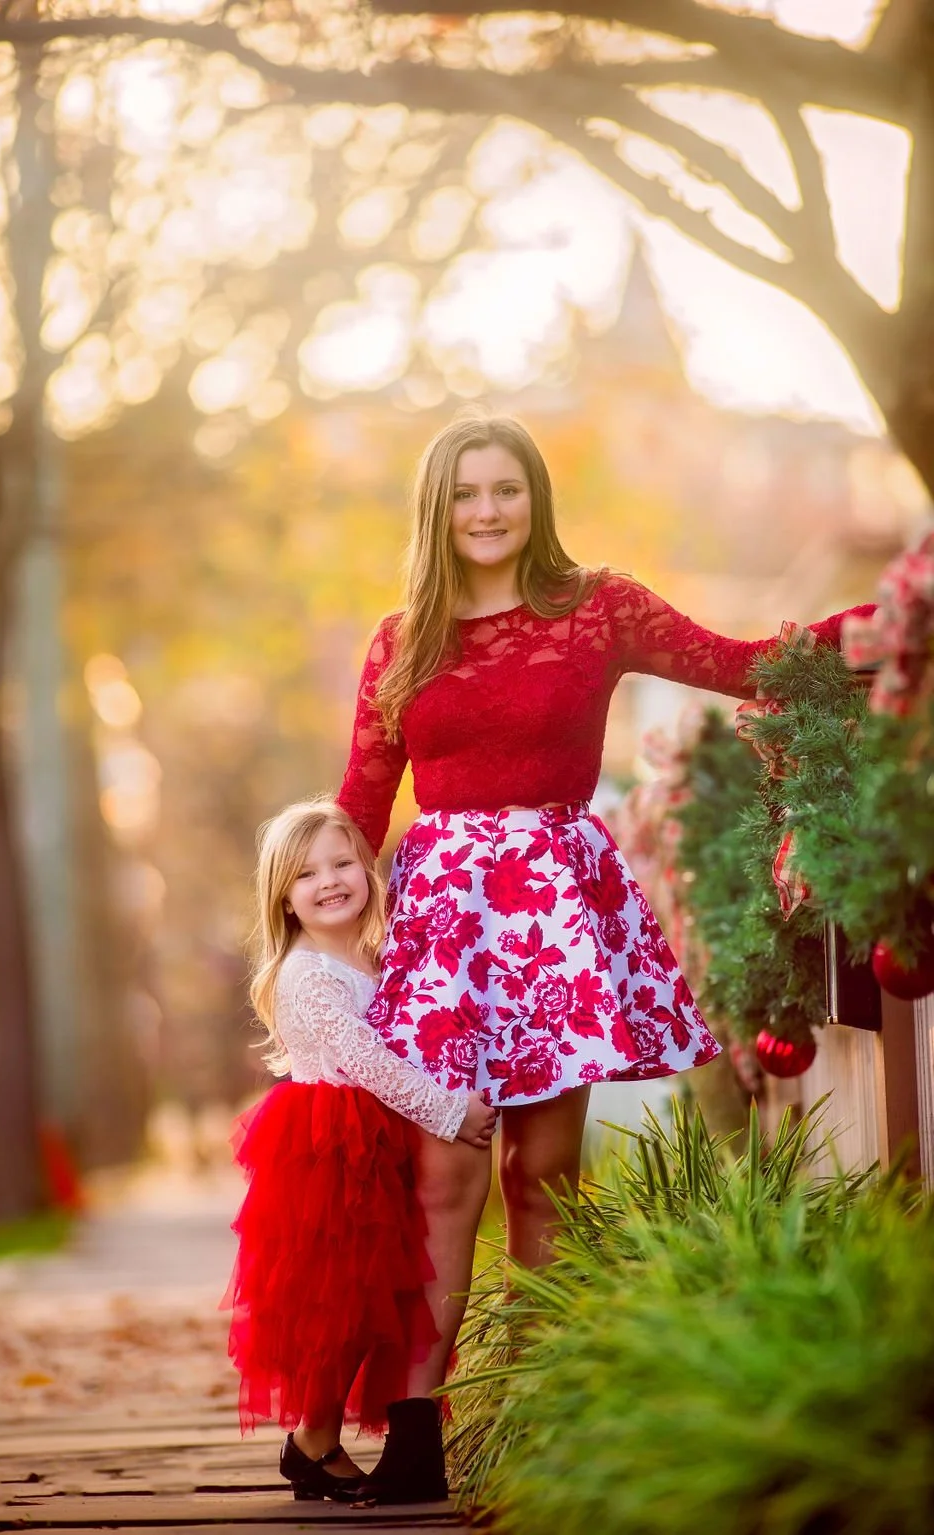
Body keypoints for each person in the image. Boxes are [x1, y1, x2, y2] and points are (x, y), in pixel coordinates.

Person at [336, 411, 876, 1497]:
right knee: (443, 1176)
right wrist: (309, 931)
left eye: (507, 490)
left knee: (542, 1174)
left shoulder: (597, 606)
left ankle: (540, 1410)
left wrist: (880, 624)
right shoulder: (401, 639)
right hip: (443, 927)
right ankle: (413, 1429)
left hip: (554, 922)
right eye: (465, 493)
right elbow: (359, 798)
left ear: (535, 498)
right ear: (436, 509)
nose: (487, 511)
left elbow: (737, 663)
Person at [223, 798, 495, 1507]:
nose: (330, 880)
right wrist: (448, 1110)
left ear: (369, 871)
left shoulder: (373, 954)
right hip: (332, 1146)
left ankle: (313, 1440)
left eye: (343, 862)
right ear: (283, 895)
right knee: (340, 1303)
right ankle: (311, 1438)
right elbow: (366, 1059)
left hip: (377, 1137)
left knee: (374, 1300)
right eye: (308, 873)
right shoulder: (307, 973)